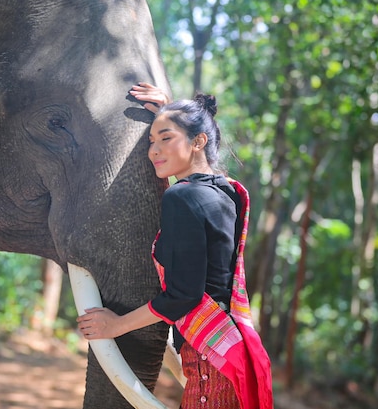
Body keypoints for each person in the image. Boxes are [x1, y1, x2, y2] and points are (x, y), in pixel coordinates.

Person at [77, 83, 273, 409]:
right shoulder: (227, 193)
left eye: (165, 139)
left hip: (211, 365)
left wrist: (116, 325)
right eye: (152, 141)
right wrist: (170, 116)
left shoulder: (181, 197)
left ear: (199, 141)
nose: (153, 150)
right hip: (234, 352)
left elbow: (184, 295)